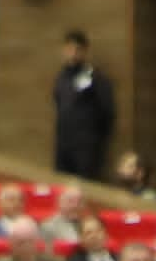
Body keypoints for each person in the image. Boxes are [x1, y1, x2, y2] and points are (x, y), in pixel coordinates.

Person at [48, 30, 115, 181]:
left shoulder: (95, 78)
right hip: (63, 144)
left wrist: (95, 141)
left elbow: (107, 113)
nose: (72, 54)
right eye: (69, 49)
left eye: (77, 49)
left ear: (84, 52)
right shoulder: (61, 78)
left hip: (86, 147)